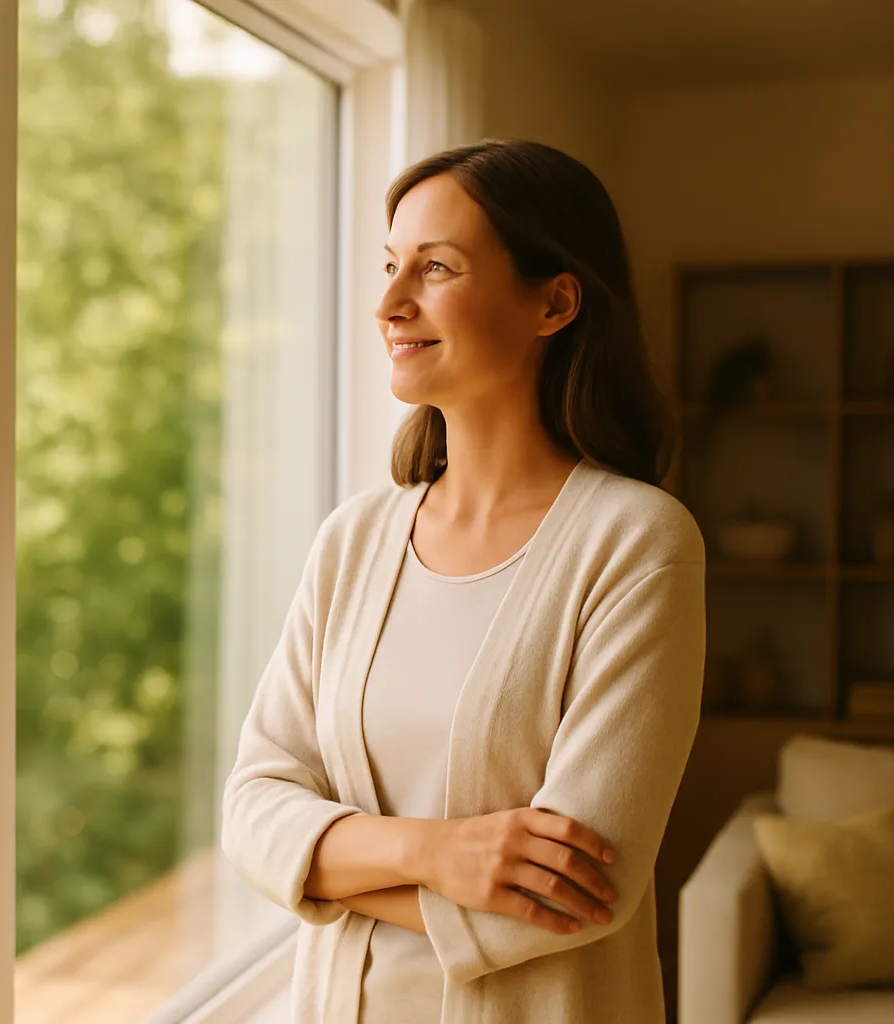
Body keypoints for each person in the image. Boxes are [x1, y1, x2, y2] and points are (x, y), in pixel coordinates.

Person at [220, 139, 706, 1024]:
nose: (389, 304)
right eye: (389, 265)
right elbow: (252, 807)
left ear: (554, 302)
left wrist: (325, 867)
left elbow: (578, 895)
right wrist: (437, 853)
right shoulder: (353, 540)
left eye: (435, 267)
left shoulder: (637, 544)